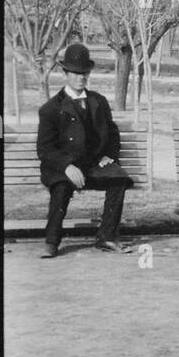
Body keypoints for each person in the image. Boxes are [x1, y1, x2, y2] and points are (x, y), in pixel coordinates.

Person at [36, 42, 134, 259]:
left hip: (92, 165)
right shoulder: (51, 109)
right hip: (62, 167)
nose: (81, 77)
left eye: (85, 73)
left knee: (118, 180)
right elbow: (44, 149)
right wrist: (66, 166)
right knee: (61, 188)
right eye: (76, 73)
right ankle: (52, 241)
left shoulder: (97, 101)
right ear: (65, 73)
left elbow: (112, 132)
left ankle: (106, 236)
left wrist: (110, 154)